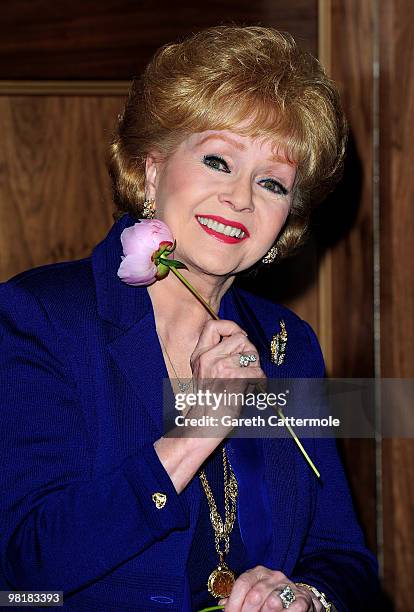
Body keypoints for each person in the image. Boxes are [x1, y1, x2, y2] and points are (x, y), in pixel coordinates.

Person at [0, 26, 379, 611]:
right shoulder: (43, 316)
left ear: (288, 220)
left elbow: (344, 559)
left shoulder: (287, 345)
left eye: (272, 182)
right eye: (217, 160)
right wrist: (197, 430)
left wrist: (303, 596)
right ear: (151, 171)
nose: (241, 198)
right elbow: (25, 566)